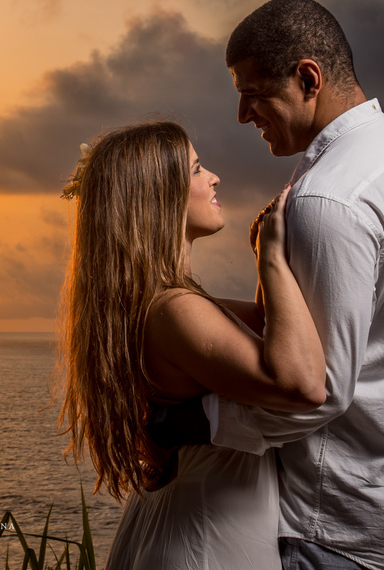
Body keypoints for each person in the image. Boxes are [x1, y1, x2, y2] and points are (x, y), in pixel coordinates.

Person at [207, 0, 384, 569]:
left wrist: (198, 420)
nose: (242, 115)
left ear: (308, 77)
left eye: (253, 93)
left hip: (351, 534)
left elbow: (316, 391)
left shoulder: (328, 197)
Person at [58, 120, 326, 570]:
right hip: (206, 539)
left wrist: (265, 258)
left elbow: (267, 325)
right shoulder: (175, 309)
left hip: (184, 522)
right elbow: (301, 384)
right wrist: (274, 261)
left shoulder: (159, 301)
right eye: (197, 170)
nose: (213, 177)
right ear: (161, 199)